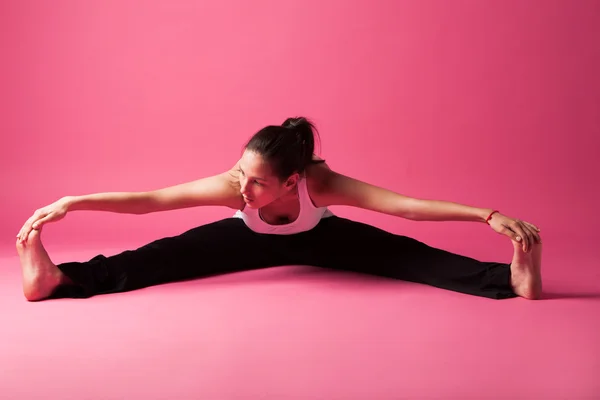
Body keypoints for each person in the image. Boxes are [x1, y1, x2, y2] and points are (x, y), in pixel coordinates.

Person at [16, 117, 543, 302]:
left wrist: (485, 214)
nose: (242, 188)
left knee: (408, 256)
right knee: (157, 257)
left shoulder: (322, 182)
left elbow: (404, 208)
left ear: (293, 181)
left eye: (256, 182)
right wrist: (73, 201)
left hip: (323, 238)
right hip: (245, 239)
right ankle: (58, 280)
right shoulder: (234, 187)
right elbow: (152, 202)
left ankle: (511, 279)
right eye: (240, 174)